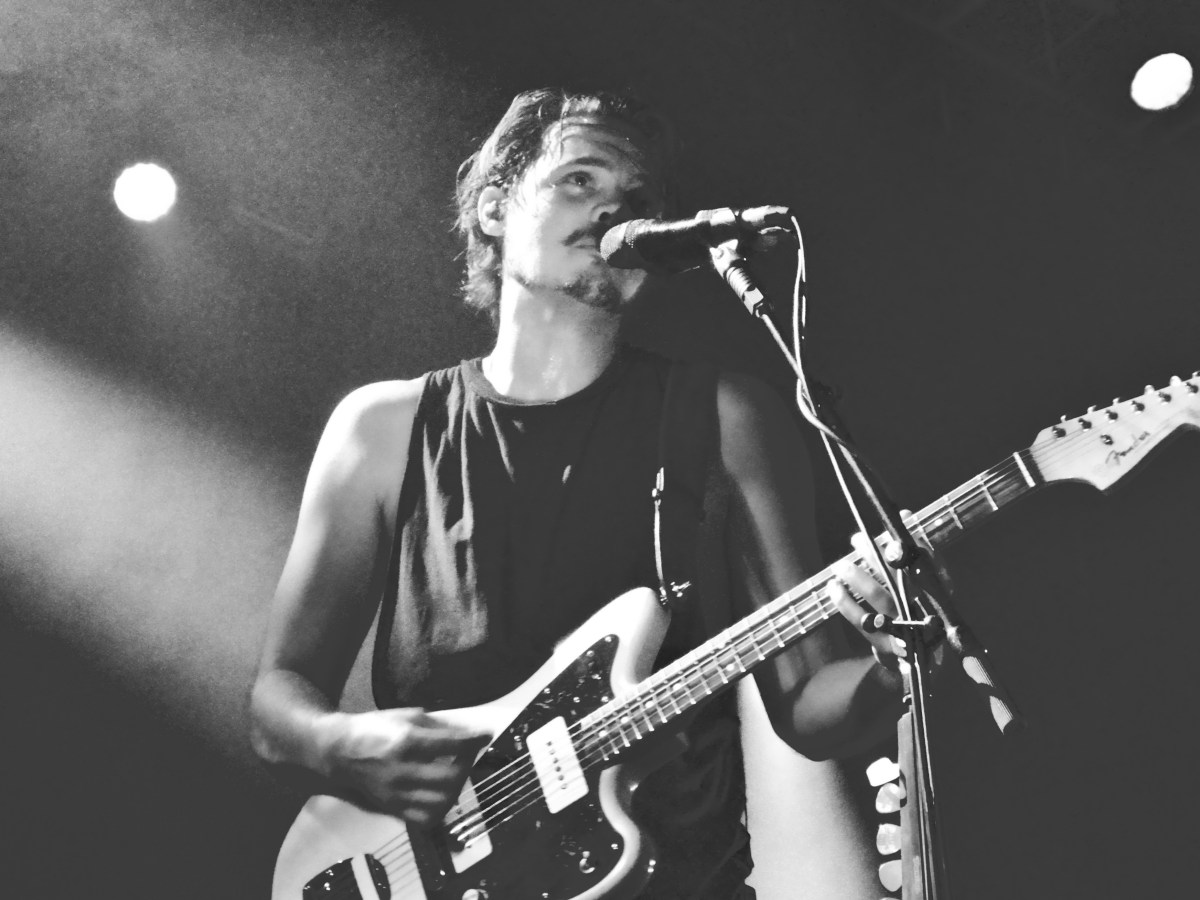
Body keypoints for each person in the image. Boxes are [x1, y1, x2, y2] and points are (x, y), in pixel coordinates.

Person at [250, 87, 906, 899]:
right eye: (579, 181)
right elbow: (278, 701)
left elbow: (808, 706)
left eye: (638, 200)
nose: (611, 211)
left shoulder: (726, 419)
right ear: (495, 208)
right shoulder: (383, 429)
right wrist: (339, 747)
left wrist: (892, 663)